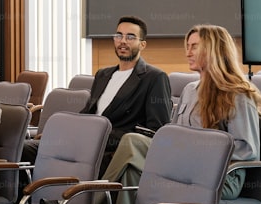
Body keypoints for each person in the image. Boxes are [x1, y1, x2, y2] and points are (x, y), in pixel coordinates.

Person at [102, 24, 261, 204]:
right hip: (181, 169)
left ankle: (89, 201)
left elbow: (247, 150)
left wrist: (197, 152)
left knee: (130, 142)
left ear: (213, 50)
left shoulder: (238, 93)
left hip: (220, 177)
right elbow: (174, 134)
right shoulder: (190, 90)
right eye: (187, 46)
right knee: (131, 171)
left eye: (194, 46)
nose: (188, 52)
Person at [23, 16, 172, 177]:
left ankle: (64, 199)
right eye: (118, 35)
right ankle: (26, 199)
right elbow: (87, 113)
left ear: (142, 44)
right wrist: (60, 132)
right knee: (25, 149)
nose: (123, 41)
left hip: (109, 149)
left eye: (130, 37)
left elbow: (156, 130)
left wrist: (111, 141)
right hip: (83, 140)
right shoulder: (103, 74)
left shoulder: (154, 78)